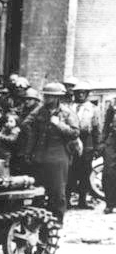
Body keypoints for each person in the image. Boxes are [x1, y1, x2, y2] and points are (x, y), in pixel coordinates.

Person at [19, 82, 80, 223]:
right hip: (40, 156)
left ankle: (56, 222)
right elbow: (26, 124)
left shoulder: (67, 113)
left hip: (58, 157)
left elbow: (75, 133)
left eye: (50, 96)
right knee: (38, 192)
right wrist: (29, 152)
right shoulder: (40, 111)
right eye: (45, 96)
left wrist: (59, 124)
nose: (46, 99)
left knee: (57, 193)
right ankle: (38, 221)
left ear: (57, 97)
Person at [67, 81, 101, 209]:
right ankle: (67, 200)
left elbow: (97, 129)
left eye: (83, 93)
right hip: (71, 142)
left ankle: (82, 201)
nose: (80, 95)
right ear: (74, 94)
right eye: (78, 93)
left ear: (87, 94)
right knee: (70, 172)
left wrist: (97, 147)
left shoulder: (93, 109)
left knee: (84, 173)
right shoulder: (69, 107)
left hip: (87, 143)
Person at [101, 99, 116, 214]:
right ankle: (110, 204)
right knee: (108, 172)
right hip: (112, 140)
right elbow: (106, 124)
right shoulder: (113, 104)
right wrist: (102, 142)